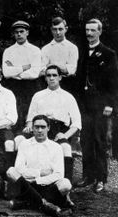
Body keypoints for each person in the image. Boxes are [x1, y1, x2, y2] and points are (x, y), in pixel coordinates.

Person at [76, 18, 118, 192]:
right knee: (86, 140)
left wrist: (110, 105)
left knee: (100, 141)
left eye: (93, 30)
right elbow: (79, 79)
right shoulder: (83, 51)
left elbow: (114, 83)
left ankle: (101, 178)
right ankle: (88, 176)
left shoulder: (109, 54)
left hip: (101, 105)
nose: (89, 33)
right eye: (87, 30)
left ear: (100, 32)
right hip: (85, 105)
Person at [20, 65, 81, 183]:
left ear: (60, 77)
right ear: (45, 78)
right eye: (49, 75)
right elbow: (30, 117)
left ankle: (65, 187)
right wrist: (28, 126)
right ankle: (23, 184)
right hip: (39, 128)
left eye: (54, 75)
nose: (52, 78)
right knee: (21, 142)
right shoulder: (38, 95)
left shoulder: (68, 97)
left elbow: (77, 123)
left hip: (59, 130)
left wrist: (65, 135)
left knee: (66, 148)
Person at [6, 115, 74, 216]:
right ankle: (45, 204)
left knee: (66, 184)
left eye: (43, 127)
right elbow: (19, 169)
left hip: (48, 187)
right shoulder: (24, 144)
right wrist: (40, 173)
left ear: (48, 128)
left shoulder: (56, 147)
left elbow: (59, 174)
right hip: (27, 184)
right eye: (36, 127)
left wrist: (37, 180)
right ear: (32, 128)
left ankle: (28, 202)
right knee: (11, 171)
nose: (39, 130)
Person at [2, 20, 41, 134]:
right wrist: (25, 67)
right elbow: (6, 73)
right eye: (16, 32)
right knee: (14, 110)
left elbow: (34, 72)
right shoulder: (8, 51)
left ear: (27, 33)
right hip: (13, 86)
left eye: (21, 31)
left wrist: (15, 71)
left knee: (30, 111)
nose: (19, 34)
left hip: (30, 86)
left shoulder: (35, 50)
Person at [41, 17, 79, 93]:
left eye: (60, 29)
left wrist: (51, 65)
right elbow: (42, 69)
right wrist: (62, 68)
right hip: (48, 85)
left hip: (68, 85)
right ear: (51, 30)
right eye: (55, 29)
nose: (57, 32)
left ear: (66, 29)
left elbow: (71, 70)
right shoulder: (45, 49)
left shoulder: (72, 48)